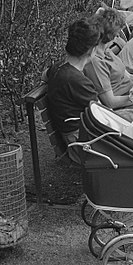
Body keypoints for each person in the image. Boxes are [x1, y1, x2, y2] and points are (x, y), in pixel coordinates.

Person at [46, 18, 100, 161]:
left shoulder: (57, 67)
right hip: (82, 141)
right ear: (92, 50)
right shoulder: (77, 80)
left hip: (75, 134)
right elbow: (102, 114)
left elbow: (44, 76)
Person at [84, 8, 133, 109]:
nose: (118, 36)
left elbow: (129, 77)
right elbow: (110, 103)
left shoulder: (107, 51)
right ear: (110, 34)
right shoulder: (95, 61)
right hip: (124, 105)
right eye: (117, 33)